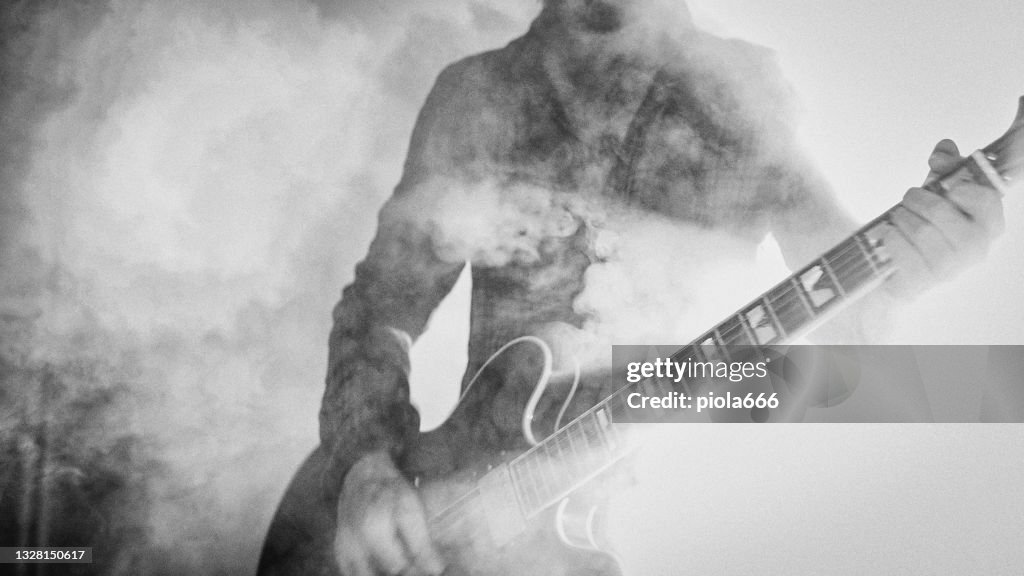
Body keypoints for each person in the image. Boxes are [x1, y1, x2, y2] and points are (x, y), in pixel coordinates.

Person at [259, 1, 1005, 575]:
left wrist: (916, 270)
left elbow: (852, 343)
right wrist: (363, 466)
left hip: (675, 525)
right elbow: (379, 309)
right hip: (445, 508)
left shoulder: (743, 92)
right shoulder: (475, 94)